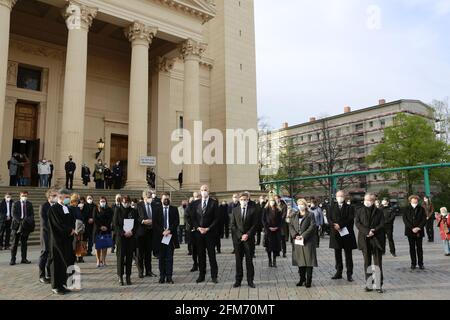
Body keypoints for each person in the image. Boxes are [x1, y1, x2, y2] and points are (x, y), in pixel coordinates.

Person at [355, 193, 386, 293]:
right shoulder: (359, 210)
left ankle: (378, 285)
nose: (366, 201)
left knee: (377, 263)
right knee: (367, 262)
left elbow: (382, 223)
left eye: (368, 200)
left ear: (373, 201)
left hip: (376, 239)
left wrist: (374, 231)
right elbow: (357, 223)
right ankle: (368, 284)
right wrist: (367, 231)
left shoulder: (379, 211)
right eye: (365, 199)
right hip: (364, 239)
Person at [189, 185, 220, 283]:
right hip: (199, 234)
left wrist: (208, 228)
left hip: (210, 233)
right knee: (201, 255)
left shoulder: (214, 203)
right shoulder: (195, 203)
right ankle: (201, 275)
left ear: (208, 191)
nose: (203, 192)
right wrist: (198, 227)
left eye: (205, 190)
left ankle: (214, 276)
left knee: (212, 255)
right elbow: (192, 218)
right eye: (202, 190)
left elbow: (217, 218)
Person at [47, 189, 76, 295]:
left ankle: (62, 284)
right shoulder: (53, 209)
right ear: (60, 197)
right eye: (66, 197)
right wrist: (69, 230)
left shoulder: (67, 208)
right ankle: (55, 285)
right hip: (57, 240)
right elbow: (57, 224)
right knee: (56, 262)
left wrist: (73, 228)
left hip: (67, 239)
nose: (68, 199)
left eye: (69, 197)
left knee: (65, 261)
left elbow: (72, 220)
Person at [328, 190, 357, 282]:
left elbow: (350, 219)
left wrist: (340, 225)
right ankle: (338, 272)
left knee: (348, 255)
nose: (339, 198)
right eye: (338, 196)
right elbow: (329, 218)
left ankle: (349, 274)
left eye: (341, 196)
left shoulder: (350, 207)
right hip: (336, 234)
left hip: (347, 234)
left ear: (345, 197)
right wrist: (334, 225)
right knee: (337, 254)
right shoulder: (331, 207)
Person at [231, 192, 257, 288]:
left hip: (249, 239)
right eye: (241, 200)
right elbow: (232, 225)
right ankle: (238, 280)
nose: (243, 201)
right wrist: (240, 235)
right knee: (238, 260)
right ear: (239, 200)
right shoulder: (235, 210)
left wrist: (247, 235)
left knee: (249, 261)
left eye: (245, 200)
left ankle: (250, 280)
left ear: (248, 200)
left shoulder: (253, 210)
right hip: (238, 240)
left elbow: (255, 225)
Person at [290, 199, 318, 288]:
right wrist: (295, 235)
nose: (300, 206)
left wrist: (303, 235)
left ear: (305, 205)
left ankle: (308, 280)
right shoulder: (294, 215)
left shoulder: (310, 215)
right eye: (298, 204)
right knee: (300, 261)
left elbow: (312, 226)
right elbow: (290, 226)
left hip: (308, 241)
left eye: (302, 204)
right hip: (297, 240)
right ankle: (302, 279)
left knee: (309, 261)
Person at [153, 192, 180, 284]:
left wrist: (169, 230)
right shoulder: (156, 209)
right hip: (160, 237)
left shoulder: (174, 209)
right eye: (164, 198)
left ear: (170, 199)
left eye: (167, 198)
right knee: (161, 257)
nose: (166, 200)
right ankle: (162, 276)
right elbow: (155, 223)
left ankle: (169, 276)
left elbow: (176, 222)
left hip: (170, 236)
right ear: (161, 199)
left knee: (169, 257)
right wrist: (162, 231)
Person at [113, 195, 138, 286]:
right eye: (124, 202)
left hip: (130, 237)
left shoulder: (133, 211)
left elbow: (136, 224)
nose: (125, 204)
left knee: (129, 257)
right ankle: (120, 276)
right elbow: (115, 224)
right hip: (121, 238)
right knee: (120, 257)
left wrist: (132, 232)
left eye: (127, 202)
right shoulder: (117, 210)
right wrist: (123, 233)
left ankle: (128, 276)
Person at [136, 190, 158, 278]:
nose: (150, 199)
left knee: (148, 253)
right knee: (140, 253)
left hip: (151, 231)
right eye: (148, 197)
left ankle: (149, 271)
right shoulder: (138, 205)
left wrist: (153, 221)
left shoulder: (154, 205)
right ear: (144, 197)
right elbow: (135, 217)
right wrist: (142, 221)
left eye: (150, 197)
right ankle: (140, 271)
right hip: (141, 232)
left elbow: (156, 216)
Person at [403, 195, 427, 270]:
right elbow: (405, 220)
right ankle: (413, 263)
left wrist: (419, 227)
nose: (415, 200)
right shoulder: (406, 209)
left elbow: (424, 219)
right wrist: (412, 228)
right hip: (410, 231)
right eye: (413, 199)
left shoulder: (421, 208)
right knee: (412, 248)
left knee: (419, 248)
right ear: (410, 200)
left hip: (419, 231)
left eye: (416, 199)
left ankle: (421, 263)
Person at [39, 189, 58, 284]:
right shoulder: (43, 206)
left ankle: (49, 273)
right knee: (45, 253)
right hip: (46, 234)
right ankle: (41, 275)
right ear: (49, 196)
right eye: (54, 195)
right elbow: (44, 222)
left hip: (54, 234)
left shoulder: (56, 206)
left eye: (56, 195)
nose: (56, 197)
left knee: (52, 254)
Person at [10, 191, 34, 265]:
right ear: (20, 196)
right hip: (16, 226)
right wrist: (21, 222)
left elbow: (31, 215)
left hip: (25, 226)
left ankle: (24, 258)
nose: (24, 197)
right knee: (14, 244)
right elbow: (14, 214)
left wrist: (25, 221)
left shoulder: (29, 204)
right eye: (23, 195)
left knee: (24, 243)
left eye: (26, 195)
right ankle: (13, 259)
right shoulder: (15, 203)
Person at [262, 196, 282, 268]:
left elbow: (280, 220)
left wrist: (277, 227)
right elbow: (263, 220)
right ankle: (269, 260)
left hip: (276, 231)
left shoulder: (278, 210)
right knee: (269, 247)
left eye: (273, 201)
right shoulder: (265, 209)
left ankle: (274, 261)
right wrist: (268, 227)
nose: (272, 202)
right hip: (268, 231)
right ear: (269, 202)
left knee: (275, 247)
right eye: (271, 201)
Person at [93, 196, 113, 267]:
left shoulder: (109, 209)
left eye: (104, 201)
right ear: (99, 202)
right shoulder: (96, 209)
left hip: (106, 230)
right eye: (101, 201)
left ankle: (104, 260)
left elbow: (110, 219)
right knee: (98, 247)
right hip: (98, 230)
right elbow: (95, 219)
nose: (102, 202)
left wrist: (106, 226)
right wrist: (100, 226)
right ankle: (98, 260)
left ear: (106, 202)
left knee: (104, 246)